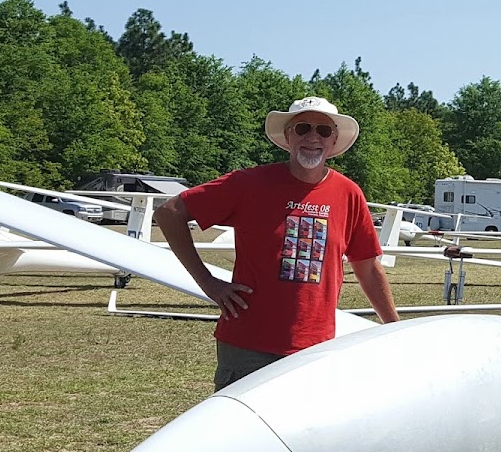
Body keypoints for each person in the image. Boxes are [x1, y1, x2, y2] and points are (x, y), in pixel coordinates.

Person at [155, 96, 400, 390]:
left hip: (315, 348)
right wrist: (209, 284)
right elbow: (169, 213)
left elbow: (368, 267)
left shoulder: (348, 193)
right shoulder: (249, 183)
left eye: (323, 131)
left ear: (334, 140)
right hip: (249, 348)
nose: (312, 137)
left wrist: (394, 329)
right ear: (287, 136)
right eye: (302, 128)